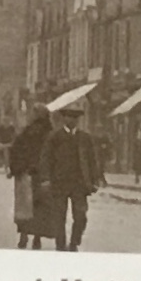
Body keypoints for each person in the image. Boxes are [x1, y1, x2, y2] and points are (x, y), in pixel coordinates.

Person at [44, 106, 99, 251]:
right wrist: (46, 179)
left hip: (79, 183)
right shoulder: (55, 137)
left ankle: (74, 242)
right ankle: (60, 244)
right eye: (69, 117)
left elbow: (92, 160)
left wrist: (94, 180)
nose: (72, 120)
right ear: (64, 118)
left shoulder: (85, 138)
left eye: (75, 118)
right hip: (59, 182)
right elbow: (46, 159)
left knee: (81, 216)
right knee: (59, 216)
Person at [10, 105, 54, 249]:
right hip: (39, 174)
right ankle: (36, 237)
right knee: (38, 207)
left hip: (30, 173)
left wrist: (17, 168)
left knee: (26, 207)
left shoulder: (28, 132)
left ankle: (25, 236)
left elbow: (16, 150)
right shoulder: (49, 132)